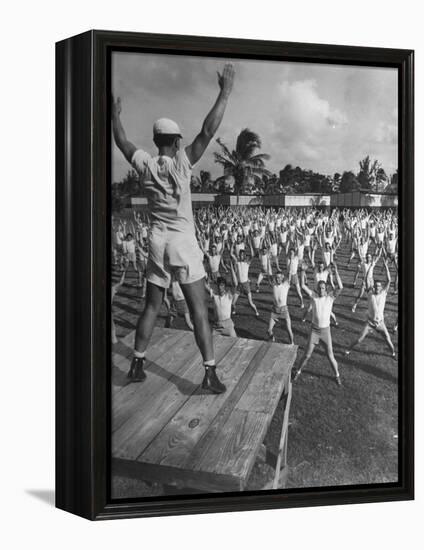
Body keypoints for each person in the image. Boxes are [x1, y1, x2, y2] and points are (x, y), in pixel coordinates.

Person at [112, 63, 235, 393]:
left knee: (151, 305)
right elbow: (208, 131)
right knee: (198, 309)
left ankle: (137, 362)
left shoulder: (146, 165)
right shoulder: (182, 162)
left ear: (155, 141)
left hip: (157, 242)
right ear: (178, 141)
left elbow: (122, 142)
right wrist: (224, 92)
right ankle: (209, 373)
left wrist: (115, 115)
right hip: (183, 243)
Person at [294, 263, 343, 386]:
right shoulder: (314, 296)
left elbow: (341, 287)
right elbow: (303, 285)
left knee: (330, 356)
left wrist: (336, 271)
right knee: (307, 355)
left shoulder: (330, 297)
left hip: (326, 332)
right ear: (317, 289)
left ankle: (337, 375)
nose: (321, 290)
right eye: (319, 288)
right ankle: (298, 371)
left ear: (326, 289)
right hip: (314, 330)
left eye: (323, 288)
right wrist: (302, 271)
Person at [345, 259, 396, 358]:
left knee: (387, 338)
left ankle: (393, 353)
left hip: (380, 323)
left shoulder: (384, 293)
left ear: (381, 288)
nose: (377, 288)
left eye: (379, 286)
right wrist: (370, 268)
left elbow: (389, 280)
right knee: (360, 339)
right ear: (373, 287)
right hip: (370, 323)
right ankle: (348, 349)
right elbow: (366, 279)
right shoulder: (369, 293)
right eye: (376, 286)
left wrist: (385, 266)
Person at [266, 271, 294, 345]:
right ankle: (272, 338)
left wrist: (291, 261)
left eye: (279, 277)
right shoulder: (274, 285)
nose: (278, 279)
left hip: (284, 310)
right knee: (269, 330)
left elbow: (290, 274)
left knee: (288, 330)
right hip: (275, 310)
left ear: (282, 278)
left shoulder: (286, 285)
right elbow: (269, 276)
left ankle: (292, 343)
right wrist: (268, 260)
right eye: (276, 277)